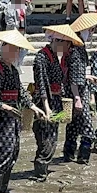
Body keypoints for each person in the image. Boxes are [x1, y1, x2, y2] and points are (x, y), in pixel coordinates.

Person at [0, 30, 43, 193]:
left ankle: (3, 188)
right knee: (2, 153)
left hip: (15, 119)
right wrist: (5, 107)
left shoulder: (14, 71)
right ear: (4, 48)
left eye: (18, 50)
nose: (16, 53)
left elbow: (21, 92)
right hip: (2, 120)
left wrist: (32, 106)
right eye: (14, 49)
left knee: (13, 152)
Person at [30, 25, 82, 181]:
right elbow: (42, 84)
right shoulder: (42, 57)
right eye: (66, 45)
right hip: (45, 102)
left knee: (52, 138)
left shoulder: (55, 57)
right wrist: (46, 107)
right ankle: (40, 172)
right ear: (58, 41)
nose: (67, 49)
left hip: (57, 101)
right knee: (46, 138)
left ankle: (42, 170)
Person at [64, 12, 97, 164]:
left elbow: (77, 73)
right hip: (77, 93)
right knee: (87, 129)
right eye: (92, 30)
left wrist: (87, 77)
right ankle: (83, 157)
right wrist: (78, 99)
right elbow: (73, 77)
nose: (92, 33)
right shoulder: (76, 51)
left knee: (73, 126)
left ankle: (68, 155)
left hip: (78, 91)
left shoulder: (78, 48)